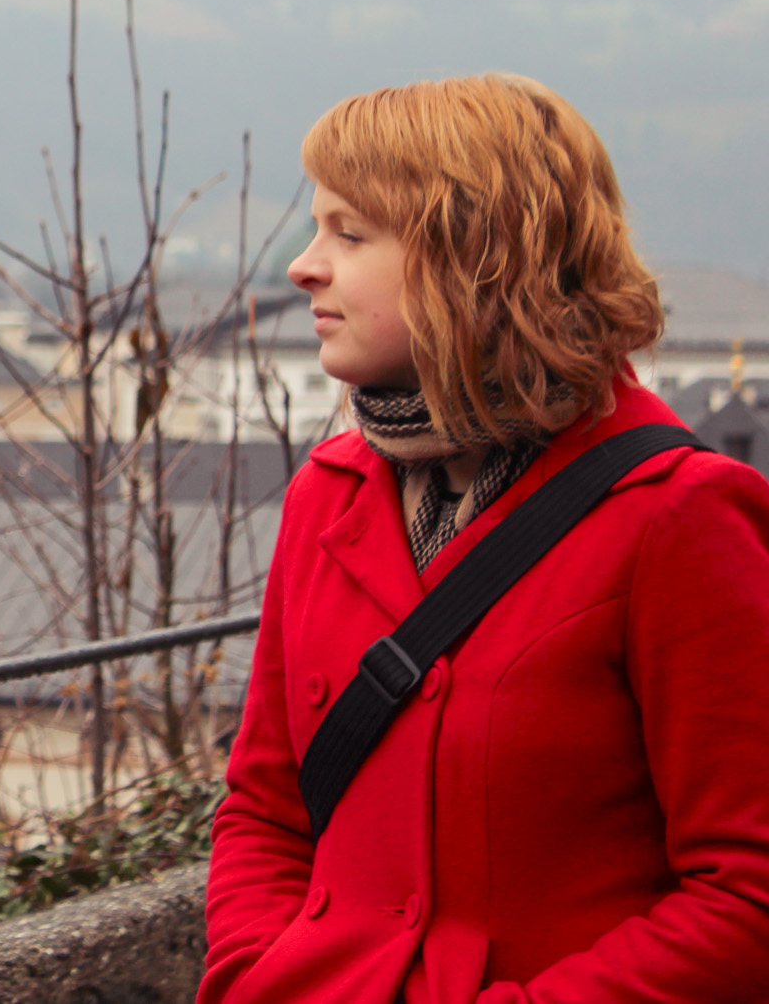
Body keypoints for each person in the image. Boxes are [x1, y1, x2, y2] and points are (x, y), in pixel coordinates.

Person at [199, 74, 769, 1003]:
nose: (305, 266)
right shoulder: (329, 493)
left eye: (350, 233)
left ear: (473, 257)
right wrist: (259, 978)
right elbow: (266, 811)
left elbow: (748, 895)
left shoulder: (678, 514)